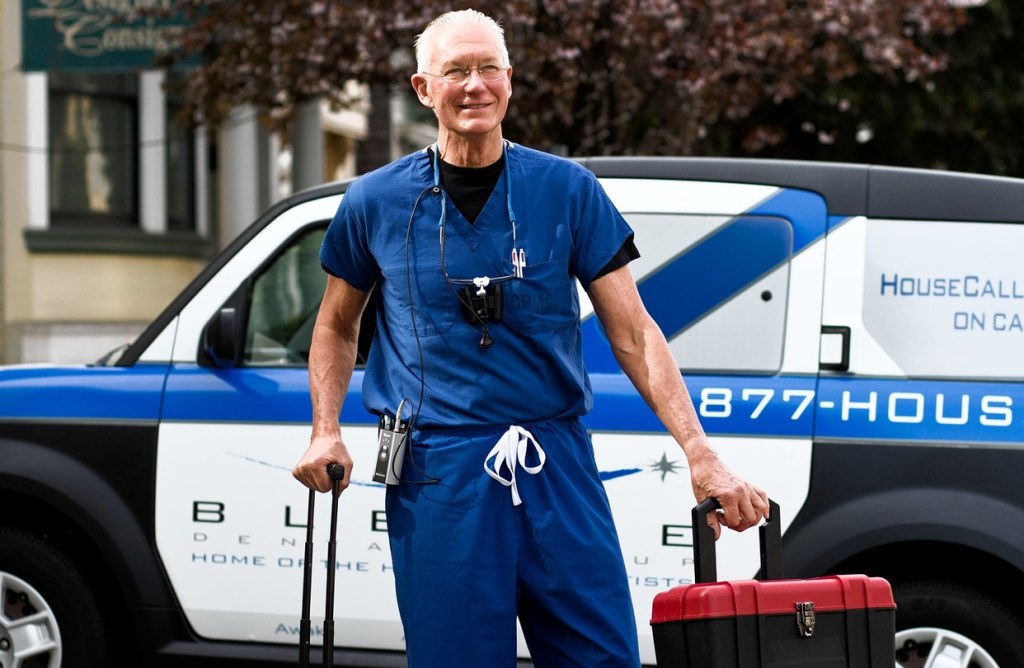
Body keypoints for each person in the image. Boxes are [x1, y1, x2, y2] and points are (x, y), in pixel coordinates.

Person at [292, 8, 770, 667]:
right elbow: (337, 326)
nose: (474, 84)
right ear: (423, 88)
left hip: (556, 461)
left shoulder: (568, 190)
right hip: (438, 472)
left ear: (510, 81)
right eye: (455, 70)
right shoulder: (373, 202)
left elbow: (633, 332)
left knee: (600, 656)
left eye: (489, 67)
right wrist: (325, 428)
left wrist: (700, 452)